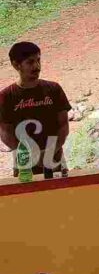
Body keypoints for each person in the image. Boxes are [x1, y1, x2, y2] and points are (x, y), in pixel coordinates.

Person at [0, 42, 71, 179]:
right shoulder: (6, 96)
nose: (37, 66)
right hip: (25, 165)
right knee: (28, 199)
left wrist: (50, 152)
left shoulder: (54, 89)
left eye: (38, 60)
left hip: (54, 159)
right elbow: (5, 133)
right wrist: (32, 156)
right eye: (30, 62)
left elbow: (63, 126)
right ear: (16, 65)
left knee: (62, 197)